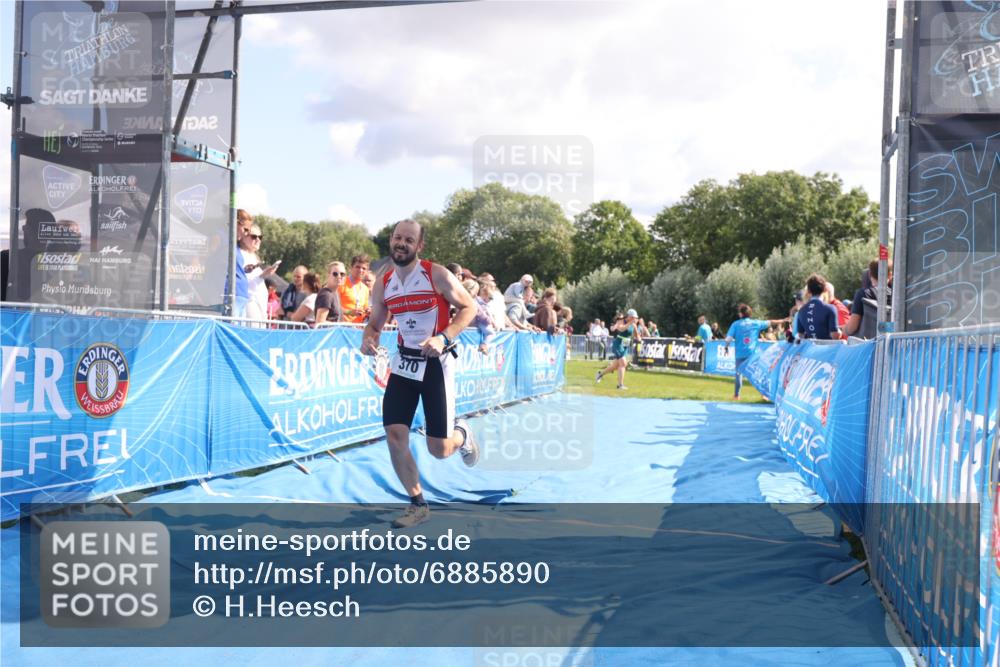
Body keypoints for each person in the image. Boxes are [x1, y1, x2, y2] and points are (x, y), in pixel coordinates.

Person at [361, 219, 481, 529]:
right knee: (394, 433)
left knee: (439, 449)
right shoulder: (384, 282)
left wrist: (444, 337)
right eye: (397, 237)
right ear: (391, 240)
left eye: (409, 240)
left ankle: (462, 434)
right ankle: (417, 504)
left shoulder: (435, 274)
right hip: (404, 364)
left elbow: (469, 307)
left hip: (436, 364)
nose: (401, 243)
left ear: (419, 246)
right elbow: (375, 323)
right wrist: (369, 338)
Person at [725, 304, 786, 400]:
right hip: (753, 354)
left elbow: (728, 338)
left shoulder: (735, 324)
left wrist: (726, 347)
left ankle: (736, 395)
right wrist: (783, 320)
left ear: (741, 314)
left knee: (738, 375)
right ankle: (764, 395)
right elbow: (771, 322)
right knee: (758, 374)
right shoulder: (755, 323)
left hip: (740, 354)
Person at [844, 260, 892, 339]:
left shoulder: (862, 294)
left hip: (868, 343)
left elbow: (852, 327)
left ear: (870, 274)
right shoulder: (896, 296)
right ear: (890, 275)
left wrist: (844, 329)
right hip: (890, 342)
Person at [595, 309, 642, 390]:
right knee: (623, 363)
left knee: (615, 366)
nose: (635, 319)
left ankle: (600, 374)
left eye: (635, 318)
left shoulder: (633, 325)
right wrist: (630, 323)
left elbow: (636, 335)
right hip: (618, 344)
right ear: (629, 316)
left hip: (625, 346)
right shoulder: (621, 321)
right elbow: (622, 329)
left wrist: (639, 339)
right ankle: (620, 385)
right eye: (633, 317)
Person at [240, 222, 277, 321]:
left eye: (260, 237)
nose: (258, 240)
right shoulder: (240, 255)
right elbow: (243, 278)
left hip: (258, 302)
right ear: (243, 237)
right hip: (250, 301)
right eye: (254, 237)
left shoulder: (253, 257)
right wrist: (263, 274)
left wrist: (265, 274)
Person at [796, 274, 841, 341]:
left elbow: (800, 335)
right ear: (825, 289)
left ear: (808, 291)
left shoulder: (801, 311)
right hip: (828, 347)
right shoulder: (830, 308)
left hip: (811, 347)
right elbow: (835, 335)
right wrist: (840, 332)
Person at [338, 254, 371, 324]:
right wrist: (349, 312)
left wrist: (368, 311)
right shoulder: (341, 283)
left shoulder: (365, 289)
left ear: (367, 271)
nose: (360, 270)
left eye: (364, 268)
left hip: (359, 327)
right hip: (342, 326)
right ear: (351, 267)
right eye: (357, 267)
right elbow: (333, 308)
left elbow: (365, 309)